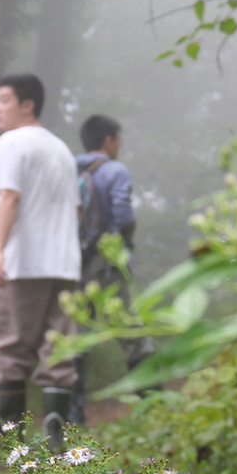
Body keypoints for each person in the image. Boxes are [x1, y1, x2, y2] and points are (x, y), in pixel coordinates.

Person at [0, 72, 81, 449]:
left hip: (23, 263)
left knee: (8, 344)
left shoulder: (12, 142)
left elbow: (9, 197)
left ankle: (9, 441)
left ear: (28, 105)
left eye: (4, 100)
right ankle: (56, 439)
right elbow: (73, 209)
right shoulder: (61, 149)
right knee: (59, 348)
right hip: (63, 262)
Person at [70, 114, 155, 423]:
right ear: (108, 140)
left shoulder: (69, 168)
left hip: (75, 263)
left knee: (77, 334)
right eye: (118, 140)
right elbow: (123, 214)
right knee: (131, 331)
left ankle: (73, 414)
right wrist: (123, 242)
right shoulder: (114, 170)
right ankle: (153, 404)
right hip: (107, 264)